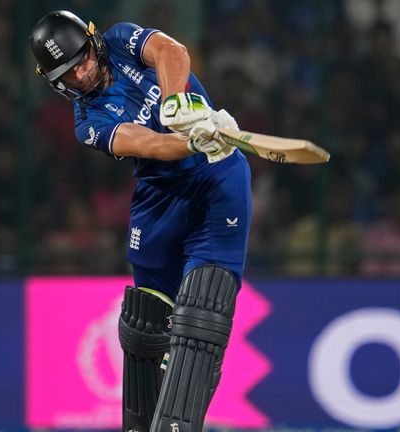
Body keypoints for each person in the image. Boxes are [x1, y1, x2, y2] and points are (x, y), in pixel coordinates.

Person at [30, 11, 252, 432]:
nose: (83, 72)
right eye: (70, 73)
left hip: (218, 180)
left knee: (202, 313)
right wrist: (187, 139)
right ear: (57, 82)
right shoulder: (87, 122)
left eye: (83, 59)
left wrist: (176, 104)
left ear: (93, 43)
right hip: (159, 198)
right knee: (144, 324)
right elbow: (146, 143)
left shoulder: (119, 39)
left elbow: (172, 51)